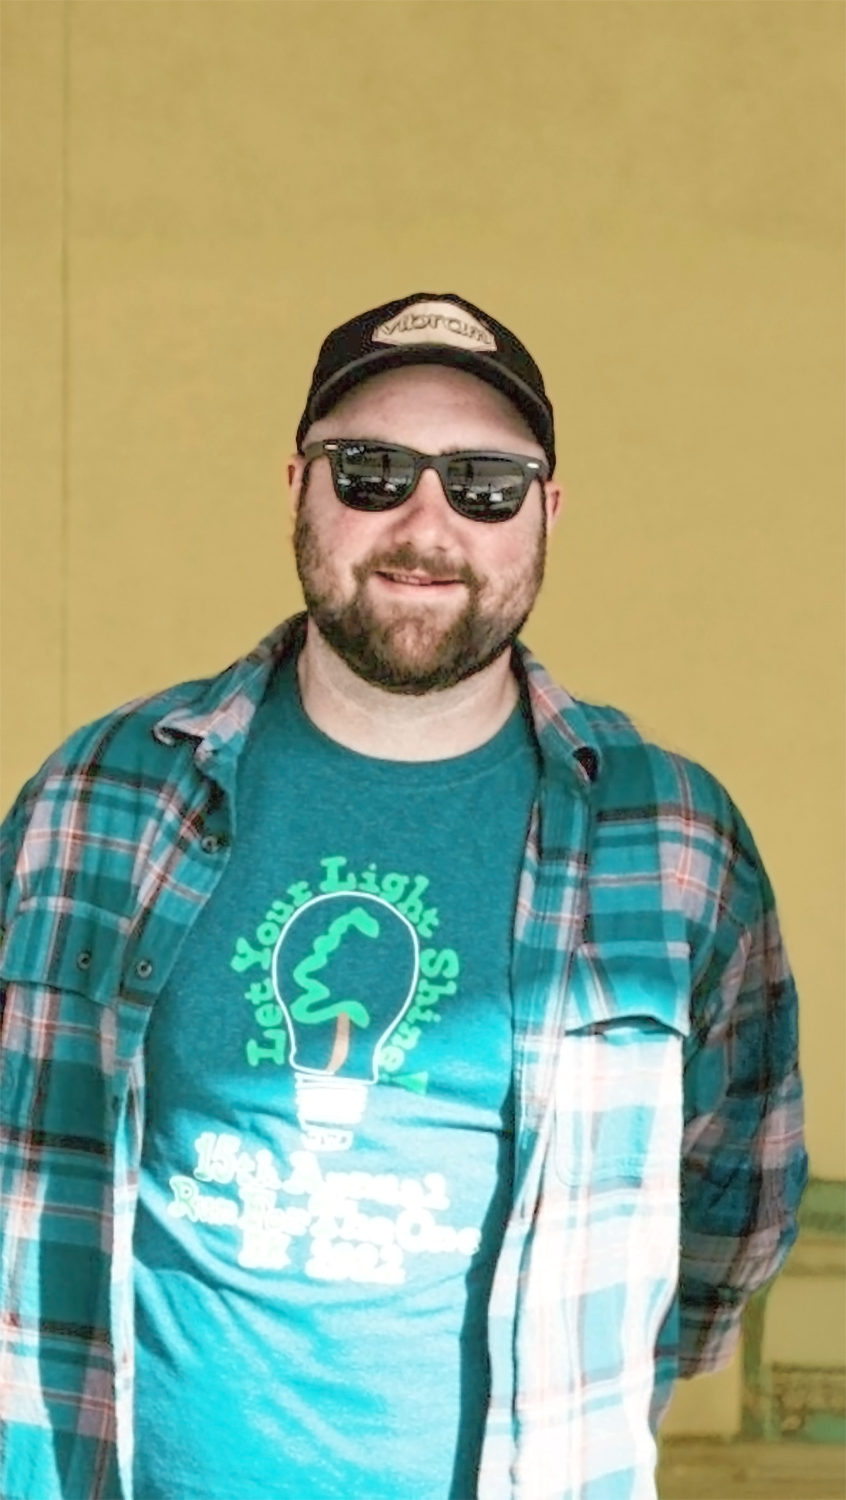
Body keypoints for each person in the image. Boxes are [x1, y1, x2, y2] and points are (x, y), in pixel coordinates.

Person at [0, 291, 808, 1500]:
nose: (426, 522)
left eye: (484, 482)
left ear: (546, 511)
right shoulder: (96, 796)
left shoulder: (676, 842)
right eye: (372, 470)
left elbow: (732, 1214)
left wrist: (581, 1392)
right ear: (296, 487)